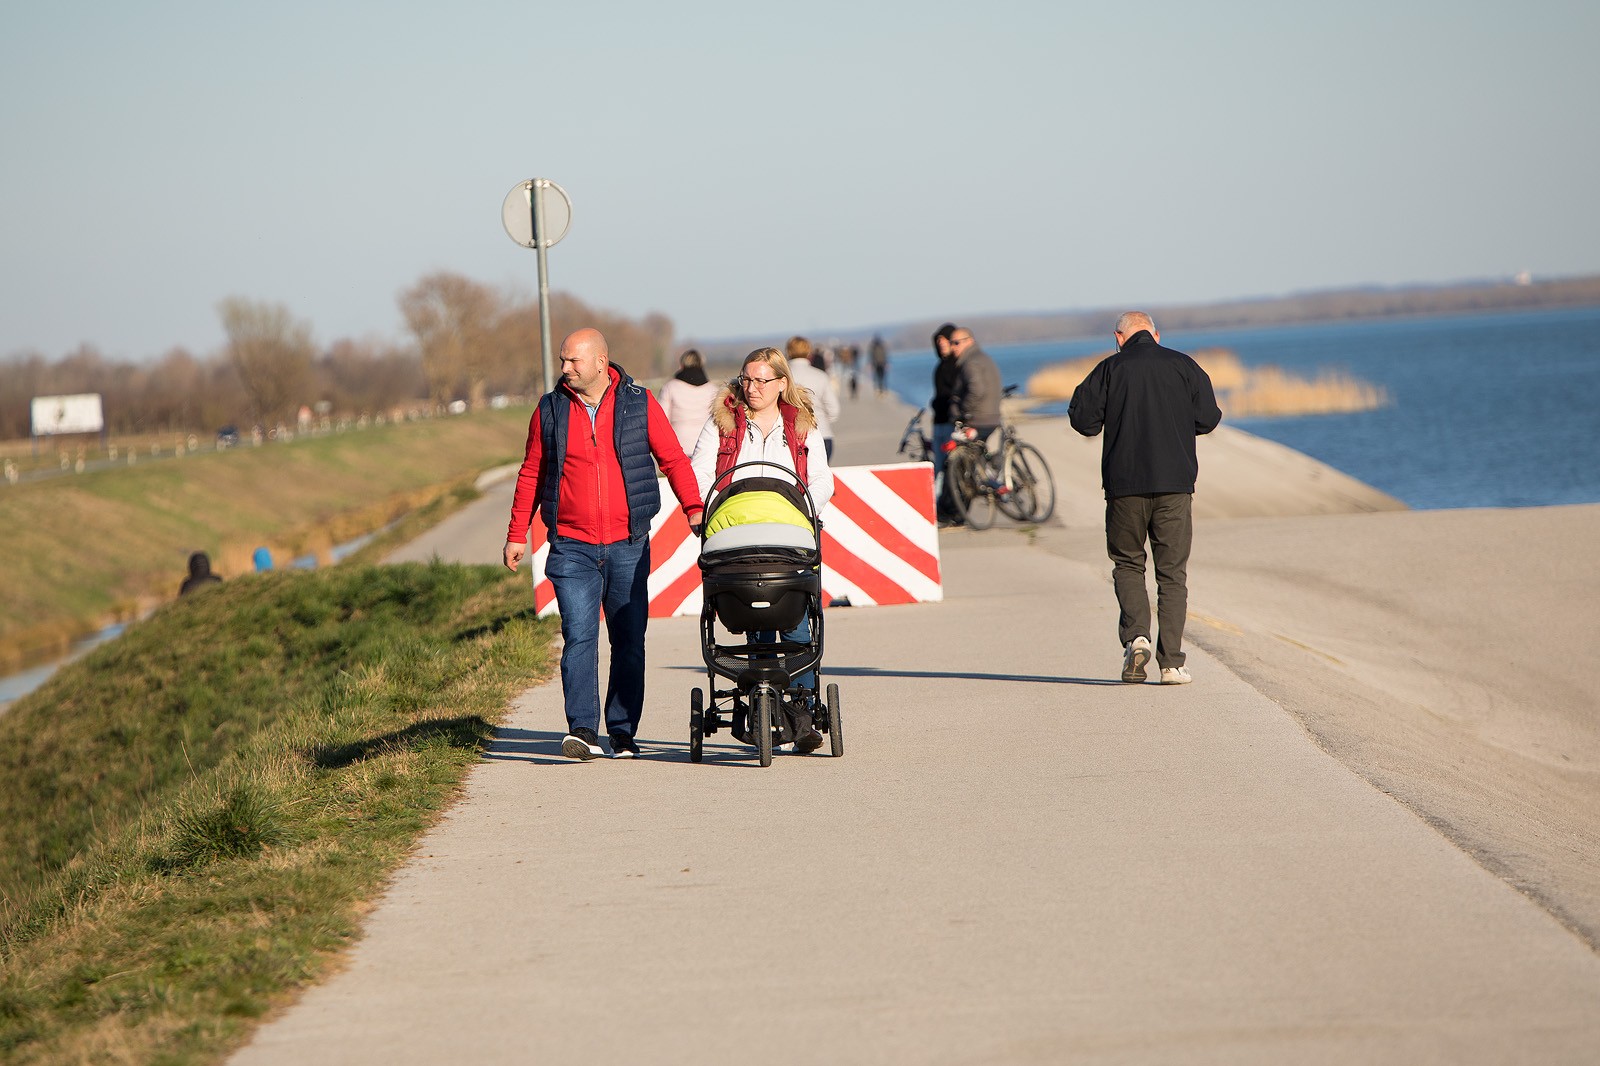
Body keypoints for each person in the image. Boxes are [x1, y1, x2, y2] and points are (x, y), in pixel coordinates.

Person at [504, 327, 705, 760]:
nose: (564, 368)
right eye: (562, 360)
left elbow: (672, 459)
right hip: (571, 545)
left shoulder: (640, 402)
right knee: (579, 636)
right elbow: (531, 473)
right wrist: (517, 532)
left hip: (628, 544)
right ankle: (582, 729)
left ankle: (623, 731)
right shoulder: (550, 410)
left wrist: (694, 508)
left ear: (600, 362)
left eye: (573, 361)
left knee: (629, 639)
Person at [690, 346, 834, 752]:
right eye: (746, 379)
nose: (751, 388)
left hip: (789, 537)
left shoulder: (802, 425)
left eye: (761, 380)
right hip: (736, 538)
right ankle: (762, 706)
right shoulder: (723, 423)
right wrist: (714, 508)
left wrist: (805, 509)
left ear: (781, 383)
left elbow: (822, 479)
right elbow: (701, 471)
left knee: (795, 621)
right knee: (754, 617)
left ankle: (801, 708)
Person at [1068, 312, 1222, 686]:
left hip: (1124, 487)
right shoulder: (1184, 365)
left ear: (1118, 337)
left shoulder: (1109, 369)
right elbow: (1208, 419)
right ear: (1155, 334)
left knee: (1127, 564)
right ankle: (1171, 663)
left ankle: (1136, 637)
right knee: (1172, 575)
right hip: (1175, 485)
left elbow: (1084, 421)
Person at [785, 336, 842, 461]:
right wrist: (821, 421)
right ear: (809, 352)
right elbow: (834, 410)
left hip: (790, 438)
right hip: (822, 434)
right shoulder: (820, 376)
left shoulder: (781, 377)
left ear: (788, 352)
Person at [928, 323, 961, 525]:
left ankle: (950, 507)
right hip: (938, 422)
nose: (941, 345)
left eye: (944, 341)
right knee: (938, 466)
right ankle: (939, 508)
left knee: (949, 467)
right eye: (938, 342)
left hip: (950, 423)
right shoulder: (940, 366)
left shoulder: (957, 366)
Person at [656, 349, 717, 453]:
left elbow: (661, 420)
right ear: (702, 364)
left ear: (682, 364)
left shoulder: (670, 387)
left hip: (678, 445)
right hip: (706, 444)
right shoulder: (713, 389)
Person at [948, 326, 1002, 443]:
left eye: (956, 343)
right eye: (951, 343)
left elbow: (977, 390)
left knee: (966, 452)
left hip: (979, 418)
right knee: (979, 452)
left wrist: (963, 409)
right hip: (990, 416)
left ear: (970, 341)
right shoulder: (982, 357)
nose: (952, 347)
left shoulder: (970, 362)